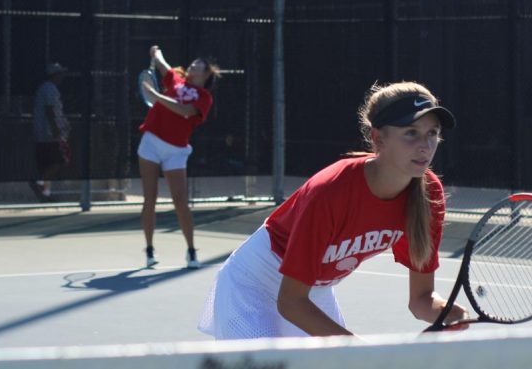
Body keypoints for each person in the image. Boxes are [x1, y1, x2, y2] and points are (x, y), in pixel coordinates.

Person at [197, 81, 470, 339]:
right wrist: (361, 353)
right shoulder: (331, 192)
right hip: (253, 283)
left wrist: (446, 312)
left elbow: (421, 301)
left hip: (310, 290)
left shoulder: (428, 194)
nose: (425, 146)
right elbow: (291, 303)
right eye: (411, 133)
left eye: (432, 133)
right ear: (378, 139)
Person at [138, 45, 221, 269]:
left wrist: (155, 96)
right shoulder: (175, 80)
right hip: (151, 142)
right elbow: (161, 62)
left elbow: (184, 112)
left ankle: (191, 251)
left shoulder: (204, 98)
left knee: (180, 201)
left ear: (205, 75)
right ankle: (149, 250)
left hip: (176, 150)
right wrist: (155, 52)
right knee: (150, 198)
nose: (192, 66)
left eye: (198, 66)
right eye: (192, 64)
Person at [30, 62, 71, 202]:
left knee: (46, 164)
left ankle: (45, 194)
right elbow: (50, 110)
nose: (62, 76)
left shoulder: (47, 88)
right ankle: (40, 183)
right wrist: (55, 129)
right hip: (48, 135)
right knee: (58, 161)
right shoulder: (49, 89)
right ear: (55, 75)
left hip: (44, 135)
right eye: (60, 73)